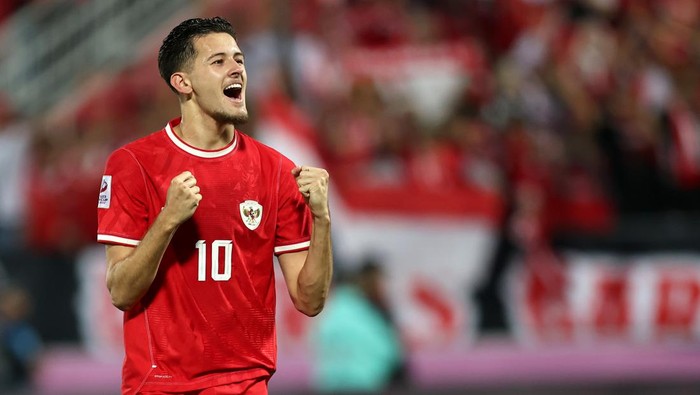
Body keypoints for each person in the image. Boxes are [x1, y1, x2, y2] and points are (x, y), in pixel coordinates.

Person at [96, 17, 333, 395]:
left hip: (245, 384)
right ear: (183, 82)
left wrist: (322, 218)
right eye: (218, 61)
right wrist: (168, 220)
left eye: (239, 59)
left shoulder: (276, 171)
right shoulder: (134, 165)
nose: (237, 67)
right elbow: (122, 292)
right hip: (160, 385)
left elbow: (309, 300)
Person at [311, 259, 405, 393]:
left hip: (329, 384)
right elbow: (390, 351)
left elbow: (316, 342)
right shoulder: (366, 312)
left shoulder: (328, 312)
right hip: (363, 382)